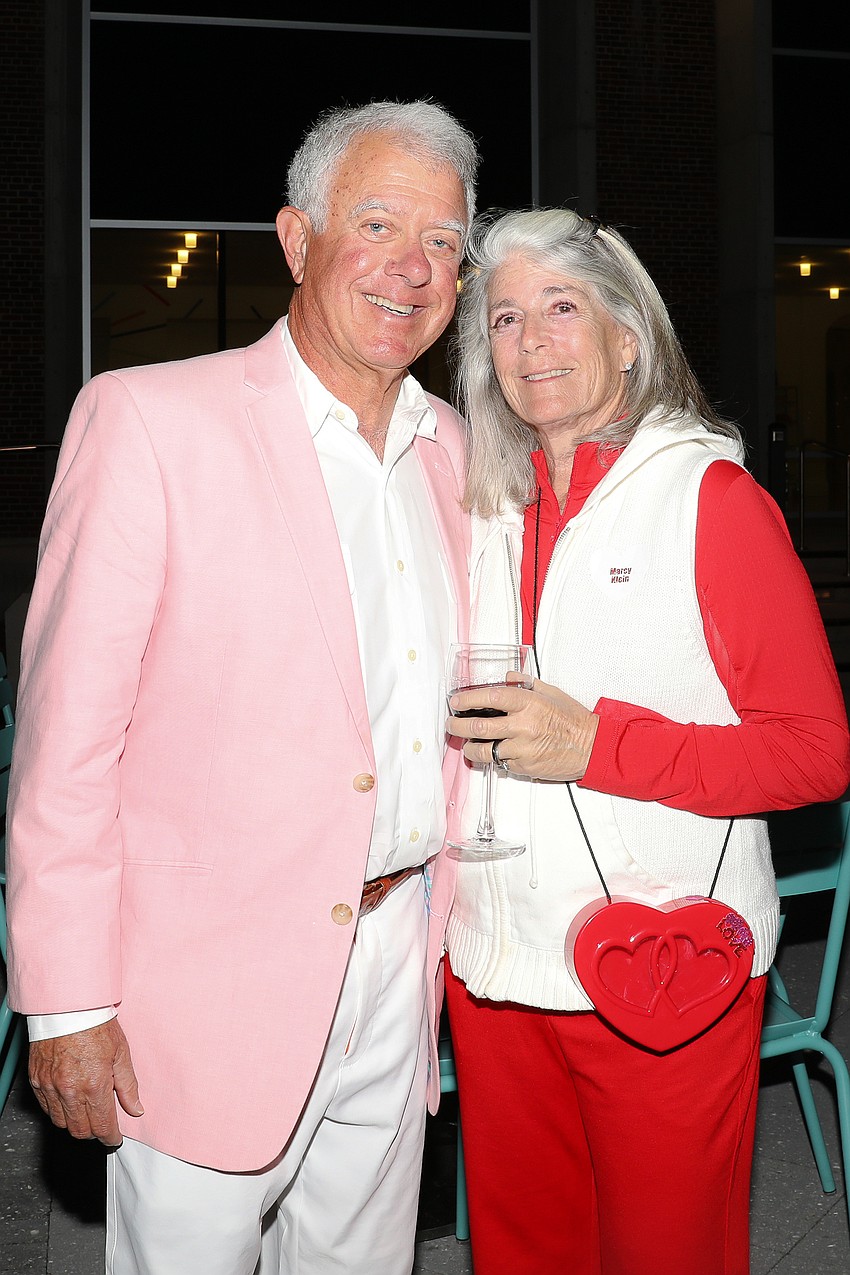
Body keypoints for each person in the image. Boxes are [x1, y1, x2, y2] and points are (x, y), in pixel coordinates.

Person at [6, 100, 477, 1274]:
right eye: (377, 223)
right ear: (296, 238)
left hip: (395, 957)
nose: (412, 268)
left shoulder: (460, 453)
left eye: (444, 243)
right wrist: (66, 1004)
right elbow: (68, 743)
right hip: (198, 986)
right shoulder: (151, 420)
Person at [443, 208, 850, 1275]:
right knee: (525, 1257)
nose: (529, 340)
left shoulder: (713, 503)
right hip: (493, 967)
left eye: (560, 307)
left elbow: (815, 753)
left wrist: (598, 745)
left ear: (627, 333)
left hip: (662, 966)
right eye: (502, 318)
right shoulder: (477, 508)